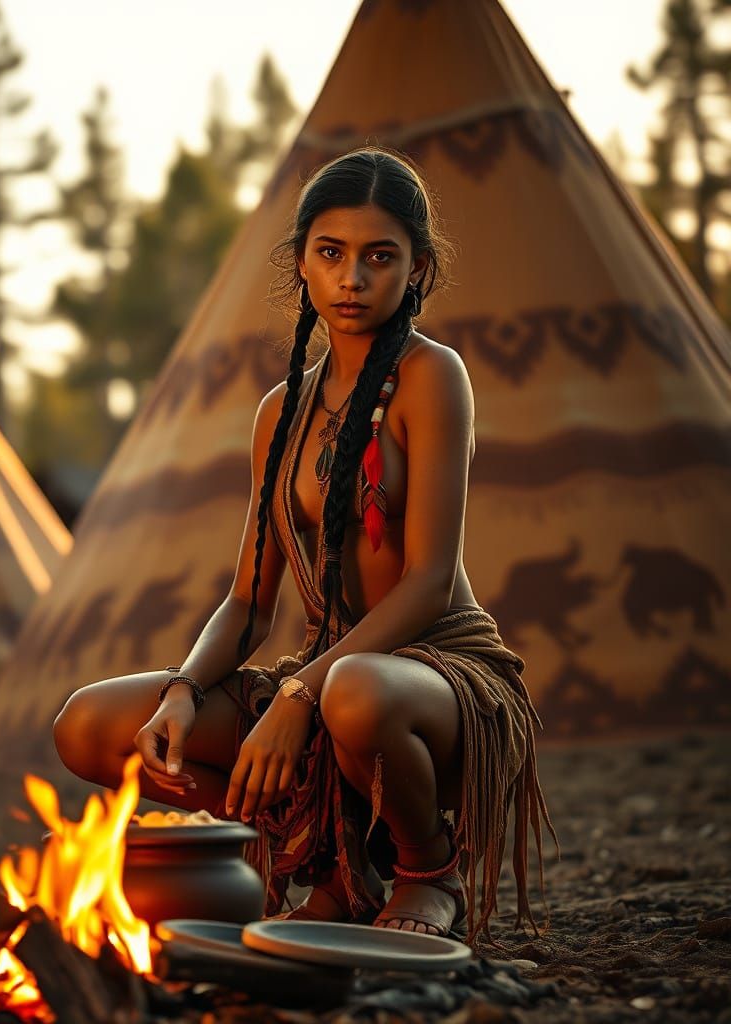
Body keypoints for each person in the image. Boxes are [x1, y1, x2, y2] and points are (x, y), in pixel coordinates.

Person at [54, 147, 555, 943]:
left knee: (354, 692)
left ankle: (428, 870)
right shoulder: (279, 412)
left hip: (434, 683)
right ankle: (328, 865)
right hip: (326, 674)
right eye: (331, 253)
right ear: (301, 264)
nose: (352, 278)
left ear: (418, 269)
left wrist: (297, 698)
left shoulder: (434, 376)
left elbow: (428, 581)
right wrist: (184, 689)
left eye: (379, 257)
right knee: (89, 724)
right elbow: (248, 601)